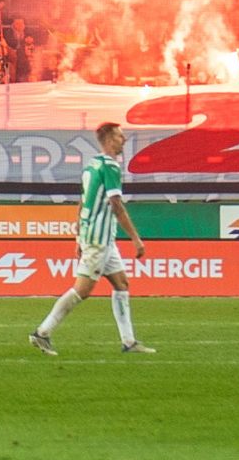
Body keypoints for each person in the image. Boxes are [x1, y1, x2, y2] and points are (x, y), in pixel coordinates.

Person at [31, 121, 153, 357]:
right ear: (108, 139)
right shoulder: (109, 166)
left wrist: (78, 237)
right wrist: (136, 239)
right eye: (119, 136)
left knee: (122, 284)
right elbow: (117, 205)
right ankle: (42, 333)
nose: (123, 140)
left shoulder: (91, 165)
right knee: (82, 290)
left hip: (101, 238)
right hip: (98, 239)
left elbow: (83, 200)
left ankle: (129, 342)